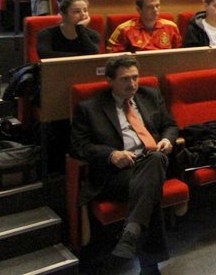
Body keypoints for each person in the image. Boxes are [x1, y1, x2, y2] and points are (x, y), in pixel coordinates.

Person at [70, 56, 177, 271]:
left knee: (155, 161)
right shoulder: (90, 108)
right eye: (125, 79)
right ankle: (148, 265)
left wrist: (167, 139)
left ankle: (132, 235)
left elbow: (170, 125)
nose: (132, 84)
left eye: (135, 77)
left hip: (151, 162)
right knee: (149, 188)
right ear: (109, 81)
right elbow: (78, 147)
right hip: (117, 173)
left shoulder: (150, 95)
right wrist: (111, 155)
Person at [108, 0, 182, 52]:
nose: (155, 10)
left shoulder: (171, 27)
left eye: (157, 6)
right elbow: (113, 56)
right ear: (139, 10)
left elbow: (178, 53)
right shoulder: (124, 29)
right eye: (150, 7)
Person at [37, 0, 101, 58]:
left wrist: (80, 28)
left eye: (85, 10)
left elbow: (93, 55)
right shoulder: (47, 34)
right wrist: (82, 55)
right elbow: (45, 55)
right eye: (77, 11)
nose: (83, 14)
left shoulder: (93, 35)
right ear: (63, 15)